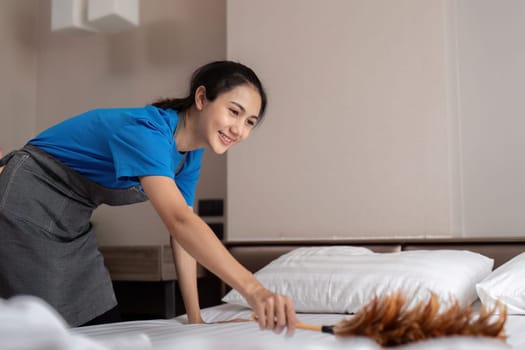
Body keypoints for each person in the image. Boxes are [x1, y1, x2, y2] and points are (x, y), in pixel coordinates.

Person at [0, 61, 297, 334]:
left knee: (101, 319)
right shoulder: (149, 132)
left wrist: (194, 318)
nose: (239, 129)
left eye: (250, 122)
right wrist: (254, 290)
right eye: (234, 111)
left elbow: (182, 235)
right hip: (29, 200)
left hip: (72, 221)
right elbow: (180, 221)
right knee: (44, 328)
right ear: (202, 98)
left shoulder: (188, 158)